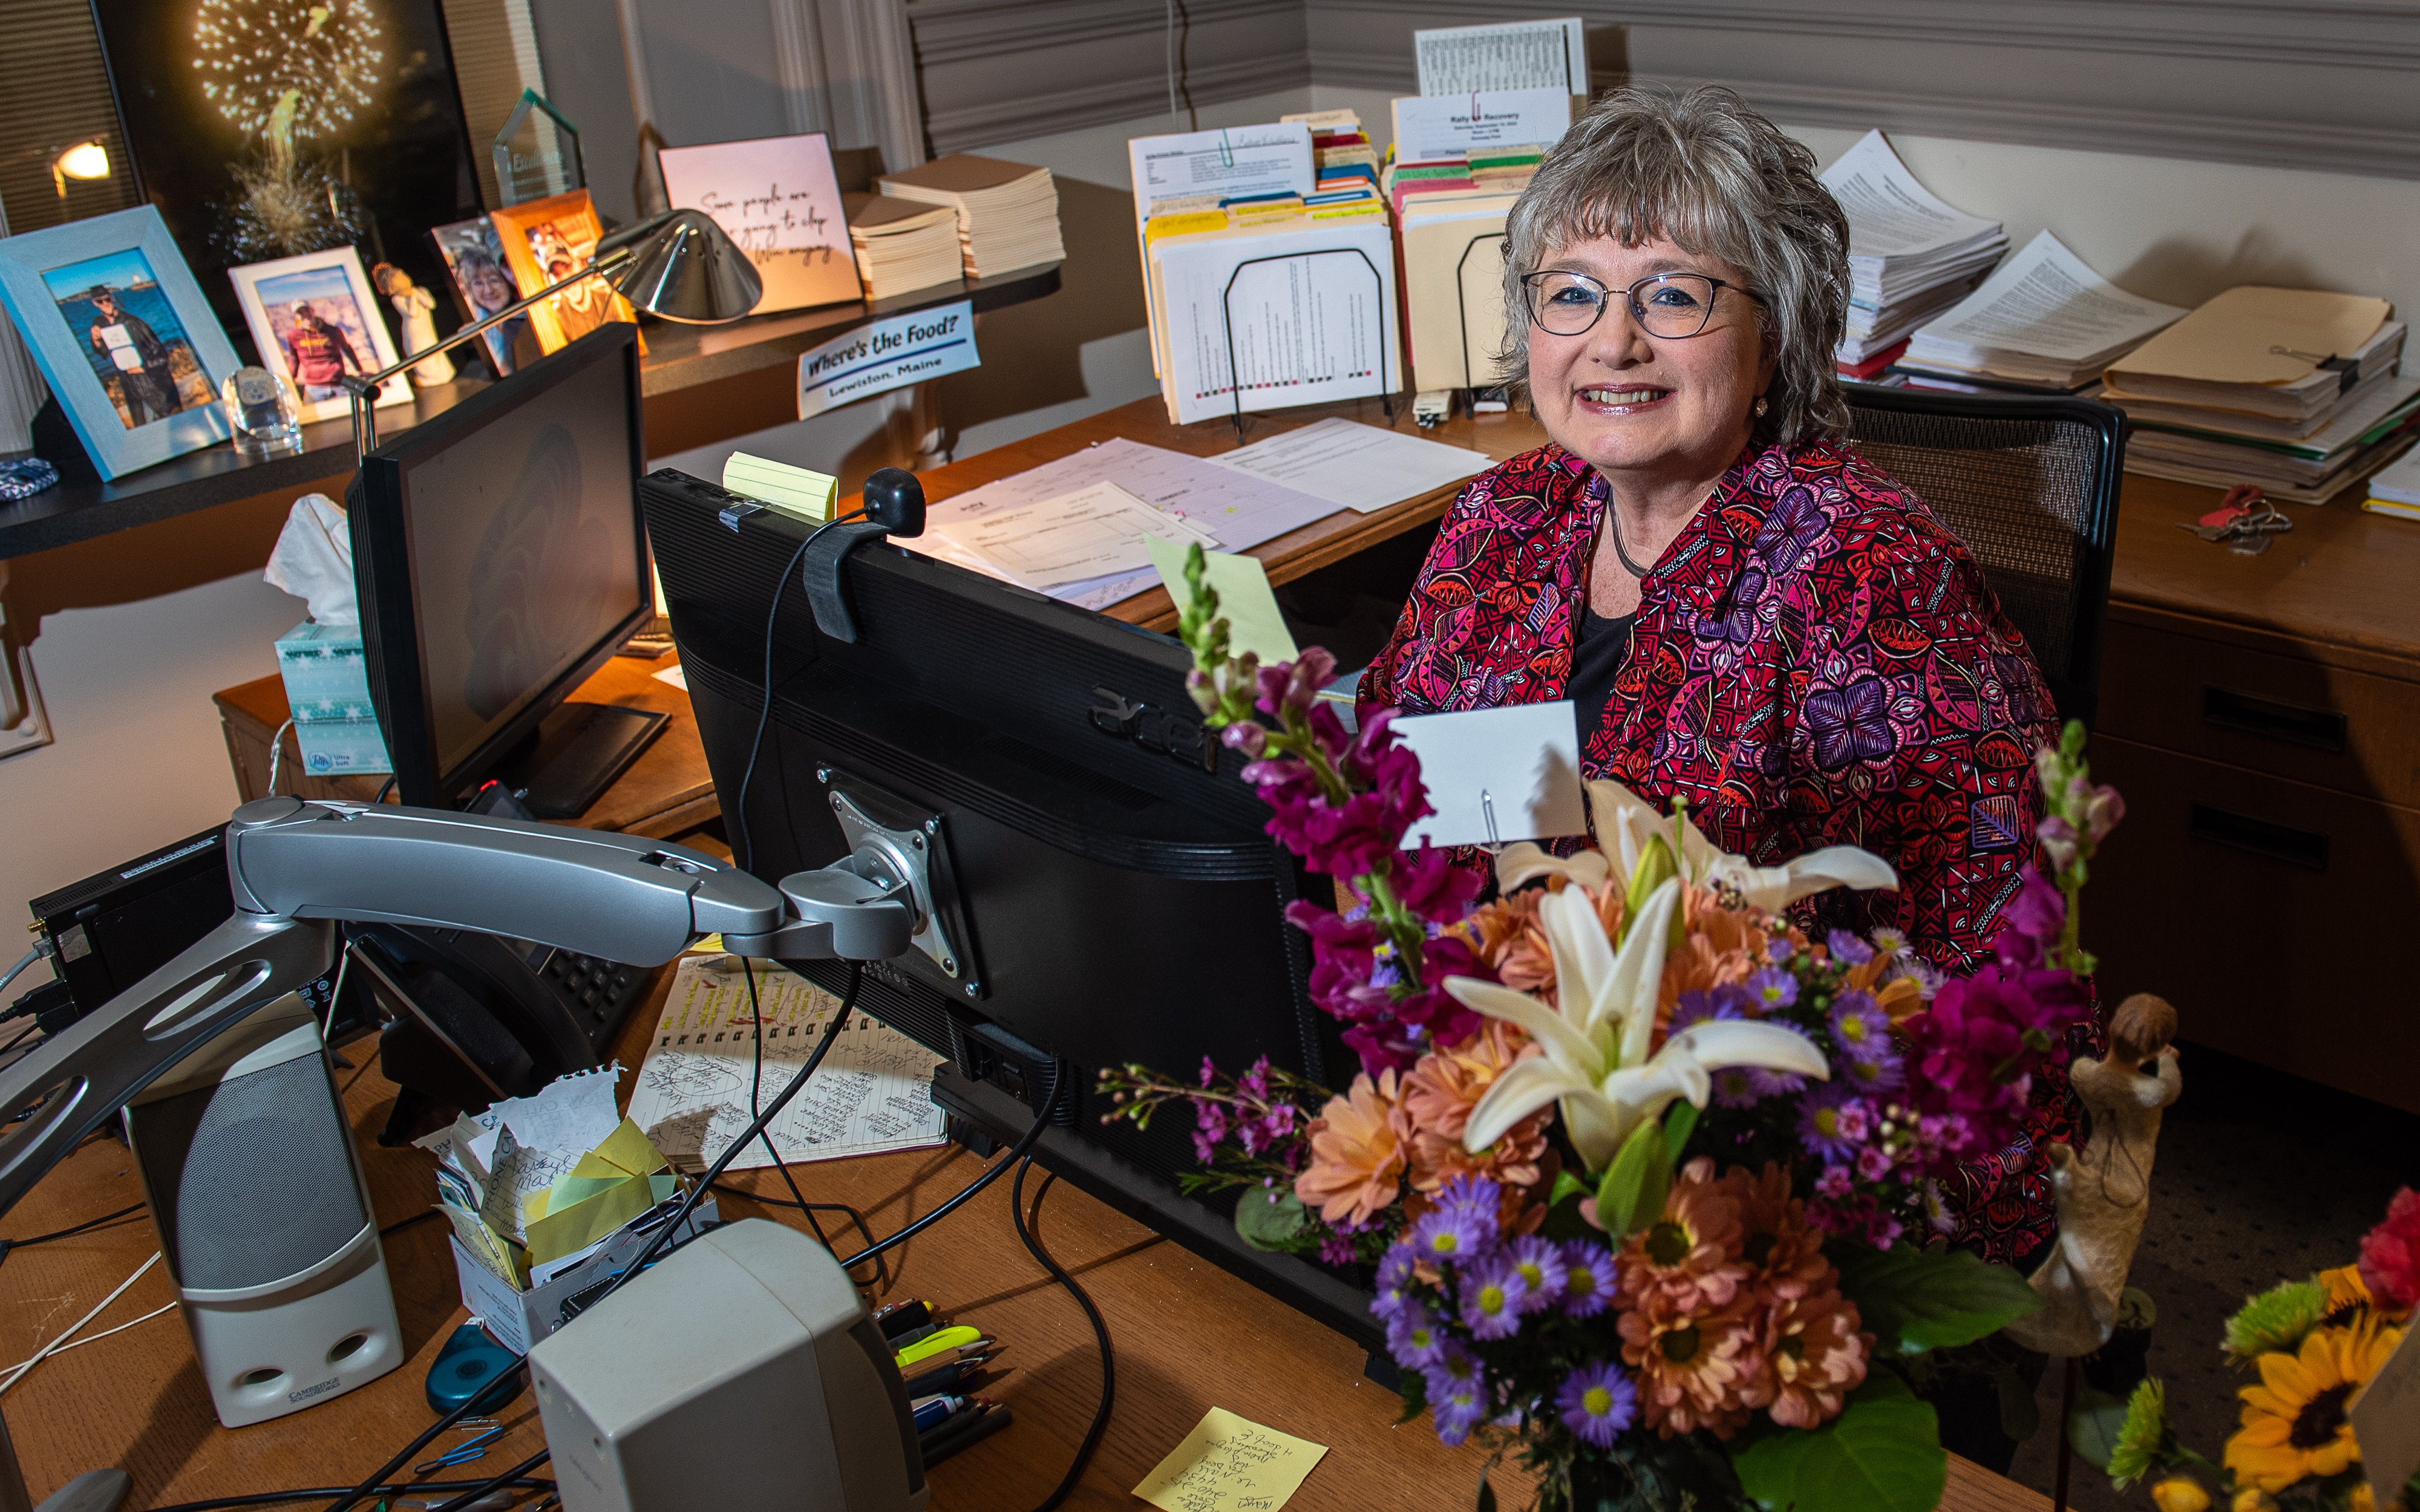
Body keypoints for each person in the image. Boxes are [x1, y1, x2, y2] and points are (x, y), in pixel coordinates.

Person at [1362, 86, 2091, 1275]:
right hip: (1499, 1115)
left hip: (1771, 1182)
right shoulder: (1498, 524)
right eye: (1569, 292)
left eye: (1671, 293)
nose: (1611, 341)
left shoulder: (1871, 581)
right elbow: (1393, 797)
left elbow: (1991, 975)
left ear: (1775, 337)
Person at [85, 288, 181, 426]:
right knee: (143, 430)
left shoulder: (134, 323)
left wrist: (142, 367)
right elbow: (104, 353)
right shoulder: (101, 324)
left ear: (112, 298)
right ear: (95, 303)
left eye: (108, 299)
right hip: (131, 389)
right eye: (100, 301)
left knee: (170, 426)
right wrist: (96, 341)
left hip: (154, 387)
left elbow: (161, 356)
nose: (105, 303)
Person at [280, 301, 364, 403]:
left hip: (338, 385)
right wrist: (290, 380)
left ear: (312, 311)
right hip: (313, 388)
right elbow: (294, 359)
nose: (305, 315)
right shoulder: (294, 336)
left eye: (307, 310)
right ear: (296, 316)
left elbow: (347, 349)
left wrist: (360, 370)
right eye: (301, 313)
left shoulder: (333, 331)